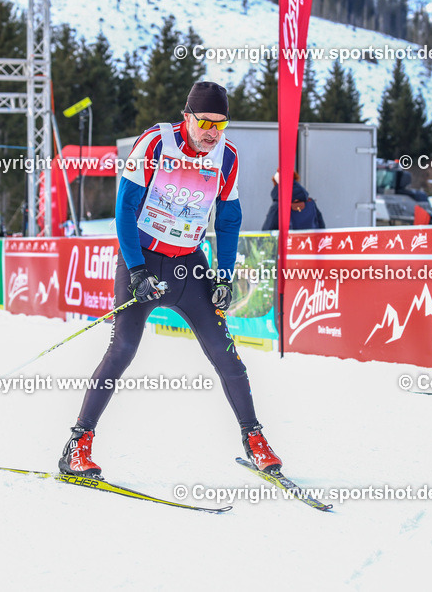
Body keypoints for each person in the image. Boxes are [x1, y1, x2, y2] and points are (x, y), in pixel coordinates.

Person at [57, 80, 282, 478]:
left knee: (225, 353)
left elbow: (228, 220)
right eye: (204, 122)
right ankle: (78, 444)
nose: (212, 131)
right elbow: (124, 210)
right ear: (187, 116)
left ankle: (254, 439)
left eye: (220, 123)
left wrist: (224, 278)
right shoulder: (155, 143)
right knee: (122, 349)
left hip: (188, 268)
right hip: (142, 262)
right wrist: (137, 269)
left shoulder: (227, 157)